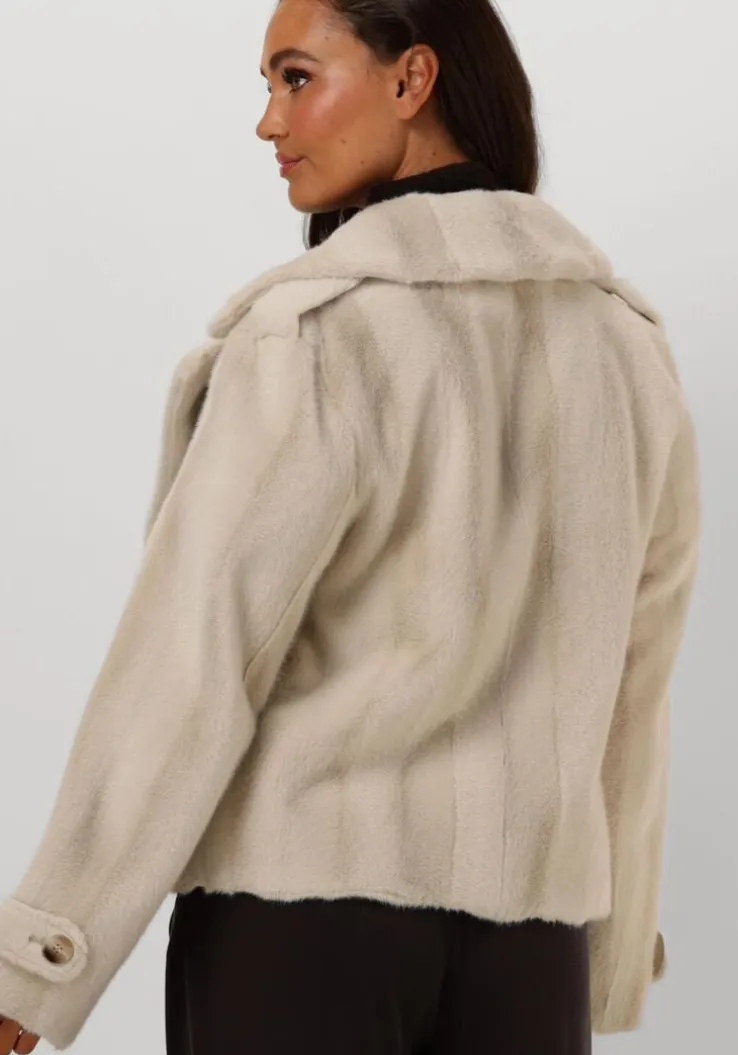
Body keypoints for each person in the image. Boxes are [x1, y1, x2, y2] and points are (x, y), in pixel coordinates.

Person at [0, 0, 700, 1052]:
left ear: (412, 79)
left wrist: (42, 953)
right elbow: (631, 685)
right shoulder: (625, 349)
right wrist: (609, 941)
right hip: (532, 950)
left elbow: (196, 659)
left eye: (296, 77)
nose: (268, 122)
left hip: (302, 929)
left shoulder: (315, 336)